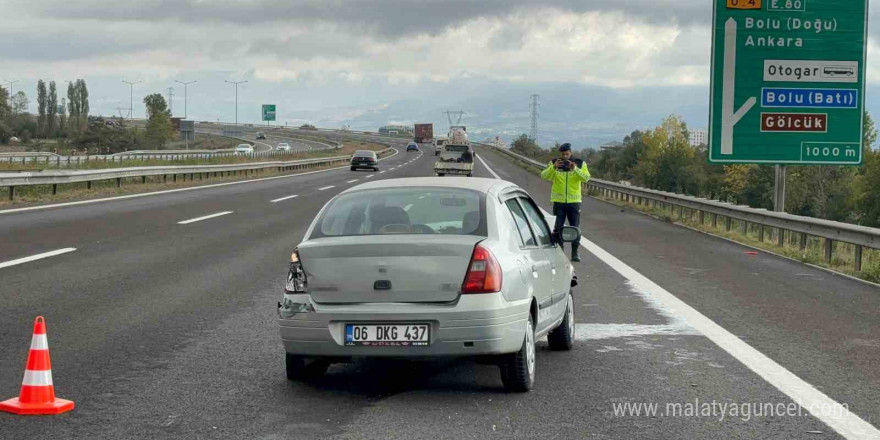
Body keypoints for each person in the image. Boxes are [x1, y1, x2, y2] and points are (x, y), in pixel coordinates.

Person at [540, 143, 590, 262]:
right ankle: (560, 252)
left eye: (567, 154)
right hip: (559, 201)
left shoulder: (580, 163)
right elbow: (544, 176)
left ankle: (575, 252)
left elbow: (586, 178)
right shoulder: (554, 162)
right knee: (558, 228)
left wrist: (575, 169)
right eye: (563, 154)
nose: (565, 157)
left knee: (575, 227)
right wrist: (554, 167)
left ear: (571, 152)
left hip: (574, 201)